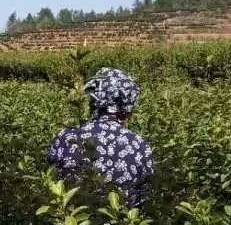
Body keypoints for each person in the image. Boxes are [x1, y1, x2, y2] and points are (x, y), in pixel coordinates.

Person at [47, 68, 156, 208]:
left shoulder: (65, 138)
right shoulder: (139, 146)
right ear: (127, 109)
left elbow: (52, 184)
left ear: (93, 102)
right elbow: (144, 199)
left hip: (72, 223)